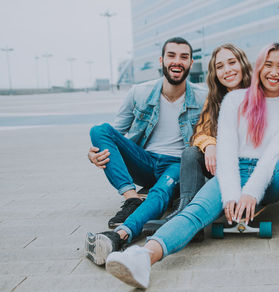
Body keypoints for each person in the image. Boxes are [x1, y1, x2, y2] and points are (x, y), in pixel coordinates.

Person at [104, 42, 279, 289]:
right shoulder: (236, 100)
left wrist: (250, 193)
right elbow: (227, 152)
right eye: (269, 64)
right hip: (232, 172)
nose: (274, 72)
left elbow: (273, 155)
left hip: (271, 177)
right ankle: (144, 258)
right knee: (195, 211)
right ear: (259, 67)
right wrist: (231, 195)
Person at [84, 37, 207, 265]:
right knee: (99, 130)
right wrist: (93, 154)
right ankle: (131, 198)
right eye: (171, 55)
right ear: (162, 60)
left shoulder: (202, 97)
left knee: (159, 193)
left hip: (178, 165)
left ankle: (120, 235)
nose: (177, 61)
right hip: (145, 162)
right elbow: (113, 135)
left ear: (191, 62)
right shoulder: (139, 93)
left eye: (183, 57)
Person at [141, 44, 253, 236]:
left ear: (243, 64)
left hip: (252, 169)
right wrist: (209, 144)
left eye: (232, 63)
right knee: (191, 152)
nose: (227, 70)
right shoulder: (215, 99)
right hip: (224, 168)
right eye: (220, 66)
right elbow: (200, 132)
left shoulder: (259, 94)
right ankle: (185, 211)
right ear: (214, 73)